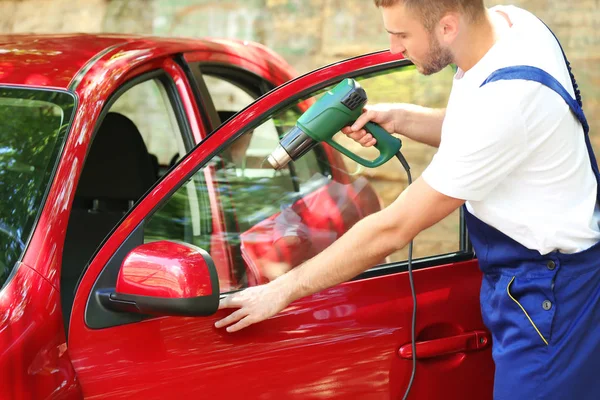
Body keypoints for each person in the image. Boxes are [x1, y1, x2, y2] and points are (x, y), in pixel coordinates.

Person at [216, 1, 600, 398]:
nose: (394, 48)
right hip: (536, 274)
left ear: (448, 27)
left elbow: (393, 229)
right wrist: (402, 117)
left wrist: (280, 290)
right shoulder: (512, 24)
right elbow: (479, 130)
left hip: (551, 294)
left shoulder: (509, 102)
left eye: (402, 35)